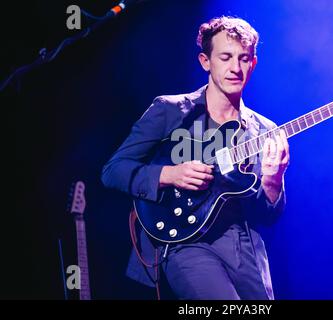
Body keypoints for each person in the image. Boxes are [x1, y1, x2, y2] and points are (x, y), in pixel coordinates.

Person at [101, 16, 290, 300]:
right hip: (184, 242)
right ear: (205, 61)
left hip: (243, 244)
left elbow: (268, 216)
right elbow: (113, 170)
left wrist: (274, 180)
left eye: (244, 59)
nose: (235, 68)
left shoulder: (263, 131)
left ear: (253, 64)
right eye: (225, 57)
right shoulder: (170, 110)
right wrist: (169, 175)